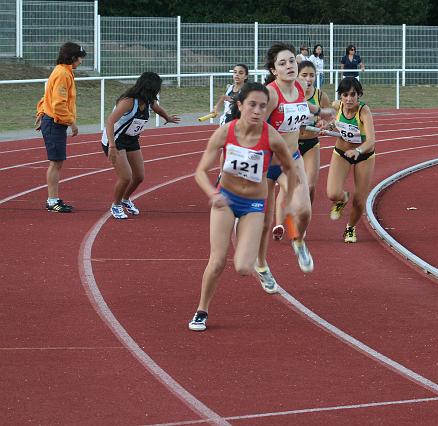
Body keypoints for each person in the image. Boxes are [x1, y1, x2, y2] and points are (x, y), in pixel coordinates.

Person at [188, 83, 297, 331]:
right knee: (217, 261)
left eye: (263, 106)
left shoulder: (272, 137)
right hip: (225, 199)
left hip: (254, 204)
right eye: (252, 105)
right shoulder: (226, 132)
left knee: (243, 268)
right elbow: (201, 171)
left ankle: (247, 239)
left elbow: (290, 168)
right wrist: (212, 193)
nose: (258, 111)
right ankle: (201, 310)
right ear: (240, 105)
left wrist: (288, 194)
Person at [255, 42, 334, 294]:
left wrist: (321, 111)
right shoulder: (270, 94)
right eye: (282, 63)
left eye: (292, 61)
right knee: (265, 222)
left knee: (304, 211)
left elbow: (303, 108)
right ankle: (261, 266)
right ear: (273, 69)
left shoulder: (299, 87)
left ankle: (298, 240)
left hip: (292, 157)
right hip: (266, 162)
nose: (289, 66)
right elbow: (254, 126)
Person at [101, 72, 180, 219]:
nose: (158, 90)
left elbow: (158, 108)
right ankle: (116, 205)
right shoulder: (128, 102)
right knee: (125, 177)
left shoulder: (149, 100)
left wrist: (167, 117)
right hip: (115, 140)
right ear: (149, 87)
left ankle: (125, 199)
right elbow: (110, 122)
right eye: (157, 88)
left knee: (139, 177)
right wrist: (111, 146)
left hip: (131, 140)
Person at [272, 60, 331, 240]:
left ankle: (302, 220)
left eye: (311, 75)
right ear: (297, 76)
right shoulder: (291, 94)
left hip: (311, 144)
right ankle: (279, 225)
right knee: (286, 188)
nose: (308, 79)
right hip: (293, 145)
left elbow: (328, 117)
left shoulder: (320, 95)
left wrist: (324, 123)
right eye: (304, 75)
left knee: (310, 186)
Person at [35, 42, 86, 213]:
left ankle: (53, 199)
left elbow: (47, 96)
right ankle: (52, 200)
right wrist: (72, 123)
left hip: (52, 121)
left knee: (57, 162)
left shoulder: (62, 71)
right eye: (80, 58)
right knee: (56, 163)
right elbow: (58, 104)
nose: (81, 62)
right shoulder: (63, 74)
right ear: (72, 58)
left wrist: (41, 112)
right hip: (55, 123)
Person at [326, 77, 376, 243]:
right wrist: (327, 126)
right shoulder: (336, 106)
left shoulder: (364, 111)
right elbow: (331, 122)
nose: (349, 99)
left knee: (359, 201)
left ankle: (350, 228)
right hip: (341, 151)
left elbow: (371, 141)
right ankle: (342, 199)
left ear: (359, 95)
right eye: (345, 94)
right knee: (332, 193)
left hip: (364, 155)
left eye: (352, 94)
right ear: (340, 96)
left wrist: (358, 150)